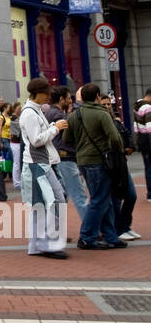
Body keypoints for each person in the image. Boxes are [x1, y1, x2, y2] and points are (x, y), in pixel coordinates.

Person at [60, 82, 126, 251]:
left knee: (104, 199)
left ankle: (110, 235)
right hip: (99, 160)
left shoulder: (75, 114)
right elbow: (115, 137)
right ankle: (87, 237)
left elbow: (66, 138)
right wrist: (117, 152)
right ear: (97, 96)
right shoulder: (101, 113)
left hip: (82, 161)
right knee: (98, 200)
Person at [19, 78, 69, 259]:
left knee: (46, 203)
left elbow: (36, 140)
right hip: (37, 165)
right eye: (47, 93)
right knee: (52, 202)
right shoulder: (31, 113)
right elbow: (36, 140)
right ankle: (47, 245)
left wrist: (54, 128)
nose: (49, 96)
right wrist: (55, 128)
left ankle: (41, 245)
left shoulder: (33, 111)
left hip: (39, 164)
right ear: (39, 93)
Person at [43, 87, 88, 232]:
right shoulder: (57, 114)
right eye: (68, 98)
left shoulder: (51, 112)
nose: (70, 101)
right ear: (61, 99)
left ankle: (54, 230)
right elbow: (67, 136)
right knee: (78, 195)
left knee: (61, 195)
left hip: (59, 158)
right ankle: (90, 229)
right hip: (65, 157)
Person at [101, 98, 139, 242]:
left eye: (108, 104)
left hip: (122, 163)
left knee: (131, 195)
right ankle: (118, 228)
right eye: (103, 104)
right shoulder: (102, 121)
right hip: (111, 164)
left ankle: (124, 226)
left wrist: (129, 147)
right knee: (115, 199)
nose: (106, 106)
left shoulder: (116, 121)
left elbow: (127, 135)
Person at [133, 87, 151, 202]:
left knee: (148, 166)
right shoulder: (148, 107)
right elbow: (150, 127)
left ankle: (150, 192)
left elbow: (136, 127)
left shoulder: (137, 106)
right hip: (149, 139)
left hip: (142, 139)